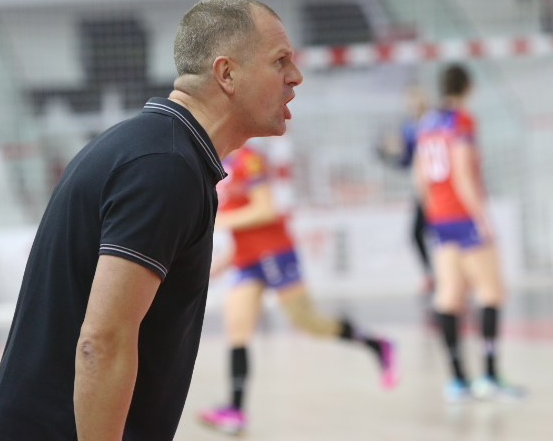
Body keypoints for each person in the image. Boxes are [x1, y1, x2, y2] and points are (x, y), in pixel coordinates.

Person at [0, 0, 302, 441]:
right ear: (226, 74)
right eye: (280, 61)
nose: (295, 76)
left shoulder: (155, 148)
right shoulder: (166, 168)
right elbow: (102, 341)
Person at [198, 143, 398, 435]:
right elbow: (243, 225)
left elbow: (265, 209)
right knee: (237, 328)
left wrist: (217, 220)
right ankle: (236, 410)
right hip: (245, 259)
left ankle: (377, 344)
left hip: (275, 253)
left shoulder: (249, 160)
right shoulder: (219, 164)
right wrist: (223, 263)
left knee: (308, 322)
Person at [414, 65, 524, 402]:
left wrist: (433, 212)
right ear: (468, 87)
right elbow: (462, 174)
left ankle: (458, 381)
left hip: (439, 218)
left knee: (448, 297)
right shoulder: (462, 121)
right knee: (491, 293)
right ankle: (489, 376)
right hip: (463, 216)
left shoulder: (427, 124)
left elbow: (420, 178)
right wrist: (482, 219)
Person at [377, 86, 435, 307]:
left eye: (416, 100)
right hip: (423, 190)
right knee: (417, 233)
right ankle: (431, 274)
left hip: (438, 189)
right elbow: (406, 161)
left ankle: (452, 275)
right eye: (409, 102)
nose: (412, 105)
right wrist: (388, 155)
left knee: (440, 232)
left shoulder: (434, 122)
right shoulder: (409, 128)